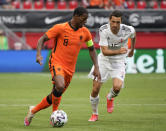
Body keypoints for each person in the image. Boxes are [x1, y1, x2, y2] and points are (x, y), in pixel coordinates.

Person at [24, 7, 101, 126]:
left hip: (70, 69)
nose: (85, 22)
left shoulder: (85, 32)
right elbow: (42, 39)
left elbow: (91, 49)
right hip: (56, 62)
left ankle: (33, 111)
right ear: (76, 16)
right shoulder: (60, 28)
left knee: (54, 94)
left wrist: (96, 66)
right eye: (83, 19)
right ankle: (54, 114)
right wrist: (38, 54)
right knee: (60, 86)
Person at [88, 10, 136, 121]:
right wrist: (119, 50)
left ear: (121, 22)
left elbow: (134, 34)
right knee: (95, 89)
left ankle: (110, 97)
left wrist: (132, 49)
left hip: (119, 61)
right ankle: (95, 114)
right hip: (103, 61)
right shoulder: (103, 30)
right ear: (109, 20)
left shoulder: (128, 30)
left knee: (117, 87)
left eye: (118, 22)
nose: (115, 25)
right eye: (113, 21)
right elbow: (104, 51)